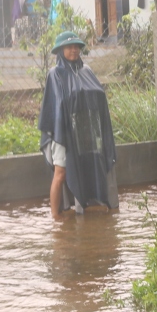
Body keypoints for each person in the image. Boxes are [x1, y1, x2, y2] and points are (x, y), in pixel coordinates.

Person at [38, 30, 117, 219]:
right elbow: (56, 105)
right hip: (62, 133)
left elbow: (98, 95)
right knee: (61, 172)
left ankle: (89, 209)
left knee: (88, 167)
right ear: (60, 50)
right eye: (69, 47)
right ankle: (55, 218)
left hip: (84, 131)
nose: (73, 50)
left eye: (76, 47)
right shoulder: (55, 74)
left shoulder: (86, 71)